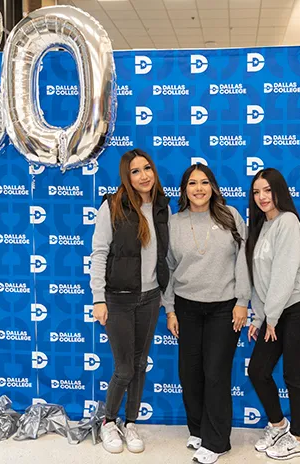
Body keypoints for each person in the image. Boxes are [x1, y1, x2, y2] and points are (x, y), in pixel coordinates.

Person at [163, 163, 250, 464]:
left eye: (204, 182)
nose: (198, 189)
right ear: (184, 190)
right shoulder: (174, 223)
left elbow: (245, 260)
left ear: (213, 186)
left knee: (215, 374)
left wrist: (243, 301)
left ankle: (217, 442)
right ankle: (198, 430)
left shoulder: (230, 216)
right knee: (190, 373)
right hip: (186, 307)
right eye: (192, 184)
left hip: (224, 308)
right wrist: (170, 309)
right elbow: (169, 269)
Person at [89, 148, 170, 454]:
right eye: (135, 171)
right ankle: (109, 421)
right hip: (119, 299)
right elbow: (99, 254)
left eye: (147, 168)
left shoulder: (163, 207)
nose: (143, 176)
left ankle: (130, 421)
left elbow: (167, 257)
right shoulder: (113, 206)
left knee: (139, 364)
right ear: (126, 175)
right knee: (124, 368)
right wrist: (99, 298)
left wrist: (166, 297)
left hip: (150, 298)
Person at [245, 168, 300, 460]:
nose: (262, 197)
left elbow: (283, 275)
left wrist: (272, 318)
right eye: (257, 192)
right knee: (258, 370)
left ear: (279, 191)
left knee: (293, 375)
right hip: (276, 312)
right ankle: (279, 424)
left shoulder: (288, 222)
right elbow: (259, 279)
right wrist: (259, 318)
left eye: (268, 190)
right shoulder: (261, 226)